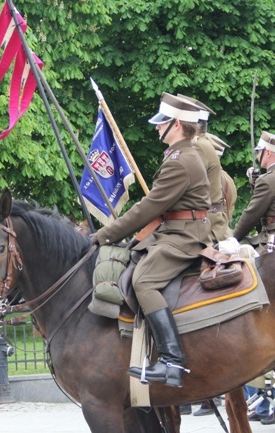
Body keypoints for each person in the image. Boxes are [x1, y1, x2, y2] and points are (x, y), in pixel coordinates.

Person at [92, 92, 212, 388]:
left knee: (143, 281)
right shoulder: (180, 156)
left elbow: (147, 207)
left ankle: (173, 361)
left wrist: (105, 234)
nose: (157, 127)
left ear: (178, 125)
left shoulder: (180, 161)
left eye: (162, 123)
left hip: (184, 236)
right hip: (175, 231)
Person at [177, 95, 230, 243]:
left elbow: (188, 187)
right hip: (207, 219)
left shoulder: (197, 145)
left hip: (203, 224)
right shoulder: (204, 142)